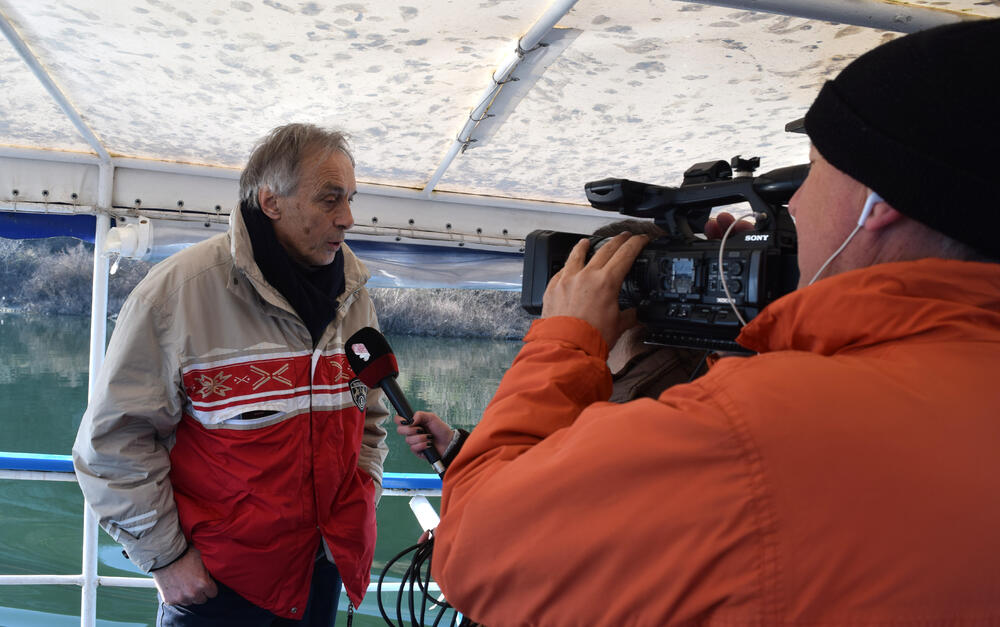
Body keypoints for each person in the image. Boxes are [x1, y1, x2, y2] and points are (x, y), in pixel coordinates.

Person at [430, 19, 1000, 625]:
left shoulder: (750, 427)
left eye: (813, 170)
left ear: (878, 202)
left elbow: (477, 548)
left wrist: (564, 341)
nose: (796, 203)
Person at [73, 123, 389, 625]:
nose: (348, 218)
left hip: (323, 572)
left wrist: (363, 499)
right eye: (330, 199)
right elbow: (112, 444)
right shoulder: (176, 295)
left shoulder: (355, 296)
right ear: (271, 202)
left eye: (350, 199)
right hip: (217, 587)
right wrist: (166, 558)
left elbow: (368, 418)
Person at [396, 219, 709, 465]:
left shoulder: (628, 413)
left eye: (580, 282)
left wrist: (565, 336)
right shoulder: (697, 385)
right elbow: (537, 471)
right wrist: (456, 447)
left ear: (614, 296)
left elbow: (507, 506)